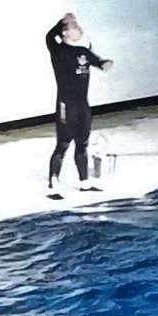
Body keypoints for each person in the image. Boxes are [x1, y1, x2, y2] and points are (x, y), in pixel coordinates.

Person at [44, 12, 110, 195]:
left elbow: (98, 61)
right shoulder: (58, 51)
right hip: (66, 105)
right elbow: (49, 37)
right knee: (63, 143)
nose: (79, 28)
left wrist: (105, 64)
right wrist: (62, 22)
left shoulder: (83, 51)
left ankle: (84, 181)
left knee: (83, 144)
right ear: (65, 33)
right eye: (74, 27)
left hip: (82, 105)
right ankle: (54, 183)